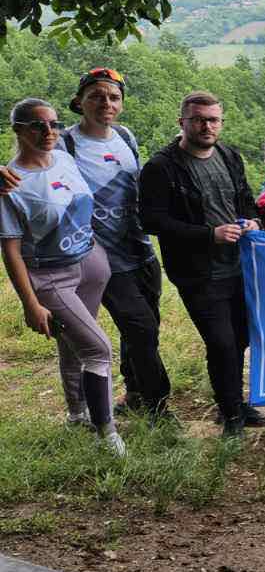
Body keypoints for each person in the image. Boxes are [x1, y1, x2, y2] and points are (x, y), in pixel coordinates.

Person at [1, 99, 127, 455]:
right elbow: (10, 250)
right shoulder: (10, 184)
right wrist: (30, 303)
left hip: (90, 263)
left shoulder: (65, 159)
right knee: (99, 349)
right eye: (37, 126)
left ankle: (76, 413)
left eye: (54, 124)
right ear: (18, 131)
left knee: (75, 346)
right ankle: (107, 432)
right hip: (50, 277)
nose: (48, 132)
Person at [138, 90, 265, 437]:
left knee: (239, 339)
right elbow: (151, 221)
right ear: (182, 123)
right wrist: (209, 235)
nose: (207, 126)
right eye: (198, 120)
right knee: (221, 341)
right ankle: (231, 416)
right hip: (198, 272)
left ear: (221, 123)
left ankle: (234, 403)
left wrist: (252, 220)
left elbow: (246, 201)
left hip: (240, 265)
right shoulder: (161, 167)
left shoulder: (229, 155)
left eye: (213, 120)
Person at [63, 68, 171, 417]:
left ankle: (136, 392)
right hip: (99, 256)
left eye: (113, 97)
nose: (105, 103)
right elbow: (31, 167)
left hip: (140, 249)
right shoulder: (65, 143)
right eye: (96, 96)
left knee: (143, 327)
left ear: (121, 103)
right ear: (80, 102)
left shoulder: (125, 136)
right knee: (140, 327)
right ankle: (157, 406)